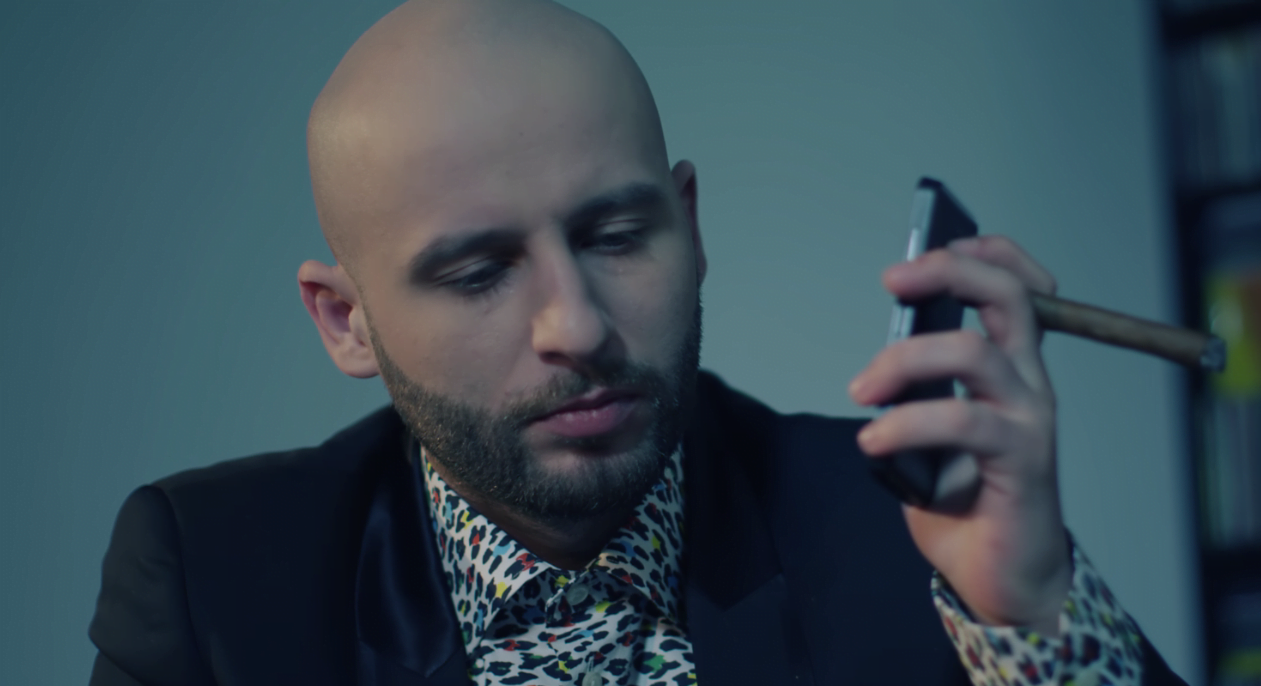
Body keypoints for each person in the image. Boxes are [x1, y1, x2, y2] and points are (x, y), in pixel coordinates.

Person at [87, 1, 1188, 685]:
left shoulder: (908, 531)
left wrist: (1031, 613)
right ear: (345, 319)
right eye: (477, 273)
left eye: (615, 237)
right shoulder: (215, 582)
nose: (575, 324)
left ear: (689, 227)